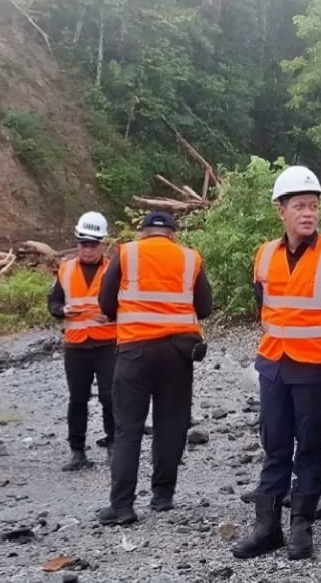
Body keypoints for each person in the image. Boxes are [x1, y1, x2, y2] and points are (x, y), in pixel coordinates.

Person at [231, 166, 321, 561]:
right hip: (273, 362)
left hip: (315, 366)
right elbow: (264, 307)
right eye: (300, 206)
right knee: (274, 445)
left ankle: (302, 526)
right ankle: (267, 527)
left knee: (309, 444)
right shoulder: (264, 255)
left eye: (313, 206)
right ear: (281, 211)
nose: (308, 213)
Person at [95, 211, 214, 526]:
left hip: (134, 350)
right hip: (177, 353)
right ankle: (162, 496)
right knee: (171, 424)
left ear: (143, 232)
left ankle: (122, 506)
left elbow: (105, 303)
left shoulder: (126, 252)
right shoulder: (190, 258)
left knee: (127, 428)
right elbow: (204, 308)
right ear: (173, 234)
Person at [47, 211, 117, 471]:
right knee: (77, 399)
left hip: (107, 343)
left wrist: (112, 313)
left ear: (102, 244)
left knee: (110, 398)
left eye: (93, 244)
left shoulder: (113, 269)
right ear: (77, 243)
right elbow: (53, 303)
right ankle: (77, 452)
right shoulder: (65, 269)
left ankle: (113, 446)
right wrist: (62, 310)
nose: (87, 249)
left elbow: (127, 301)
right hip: (76, 345)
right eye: (83, 243)